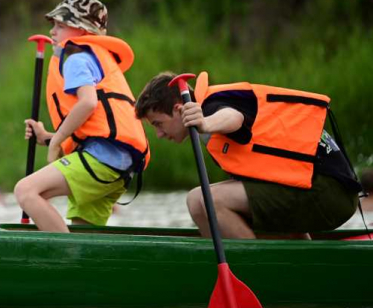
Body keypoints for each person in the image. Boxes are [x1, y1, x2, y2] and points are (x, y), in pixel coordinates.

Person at [135, 71, 362, 239]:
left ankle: (252, 274)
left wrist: (205, 123)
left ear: (179, 109)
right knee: (196, 201)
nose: (159, 134)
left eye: (158, 124)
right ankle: (288, 268)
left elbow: (235, 118)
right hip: (310, 189)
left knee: (208, 199)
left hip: (329, 190)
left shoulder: (213, 106)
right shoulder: (210, 119)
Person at [14, 0, 150, 232]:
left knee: (26, 191)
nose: (52, 31)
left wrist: (56, 141)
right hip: (119, 166)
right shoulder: (94, 57)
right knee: (84, 231)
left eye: (60, 25)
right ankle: (82, 262)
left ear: (81, 31)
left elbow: (88, 103)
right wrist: (47, 137)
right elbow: (93, 125)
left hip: (101, 161)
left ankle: (66, 261)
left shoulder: (76, 58)